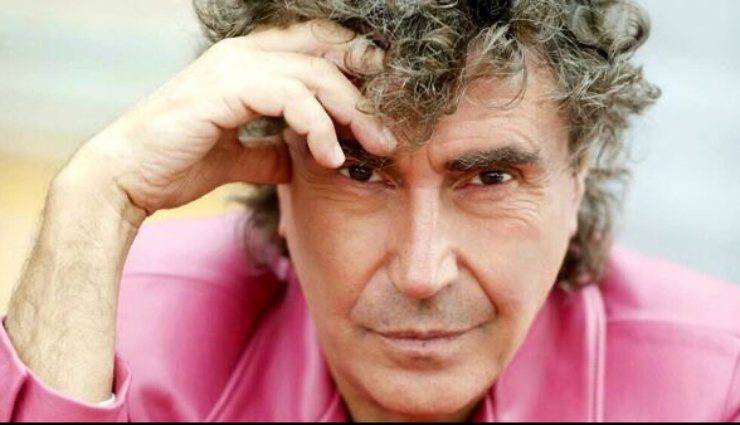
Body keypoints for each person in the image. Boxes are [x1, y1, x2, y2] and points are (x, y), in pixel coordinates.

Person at [1, 0, 738, 421]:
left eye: (489, 178)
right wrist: (94, 199)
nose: (422, 272)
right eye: (358, 171)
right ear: (278, 169)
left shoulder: (717, 387)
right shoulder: (117, 326)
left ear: (578, 176)